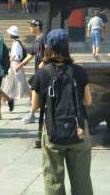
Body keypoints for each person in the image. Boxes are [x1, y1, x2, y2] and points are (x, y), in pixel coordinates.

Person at [32, 29, 93, 195]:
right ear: (68, 47)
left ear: (48, 47)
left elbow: (34, 106)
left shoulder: (42, 73)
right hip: (78, 129)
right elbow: (88, 101)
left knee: (53, 178)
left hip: (52, 131)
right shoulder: (79, 71)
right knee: (82, 180)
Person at [2, 26, 29, 113]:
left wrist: (10, 61)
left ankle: (32, 98)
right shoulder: (16, 42)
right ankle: (7, 98)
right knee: (11, 81)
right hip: (14, 64)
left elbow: (16, 55)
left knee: (21, 82)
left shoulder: (16, 43)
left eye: (10, 33)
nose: (9, 34)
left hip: (15, 64)